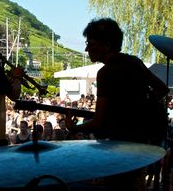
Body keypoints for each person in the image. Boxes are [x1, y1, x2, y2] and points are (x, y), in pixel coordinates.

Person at [65, 18, 169, 190]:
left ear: (107, 44)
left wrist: (74, 127)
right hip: (141, 143)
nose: (86, 48)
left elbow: (98, 122)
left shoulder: (105, 73)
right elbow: (162, 89)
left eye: (91, 44)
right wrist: (140, 109)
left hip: (118, 147)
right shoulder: (134, 62)